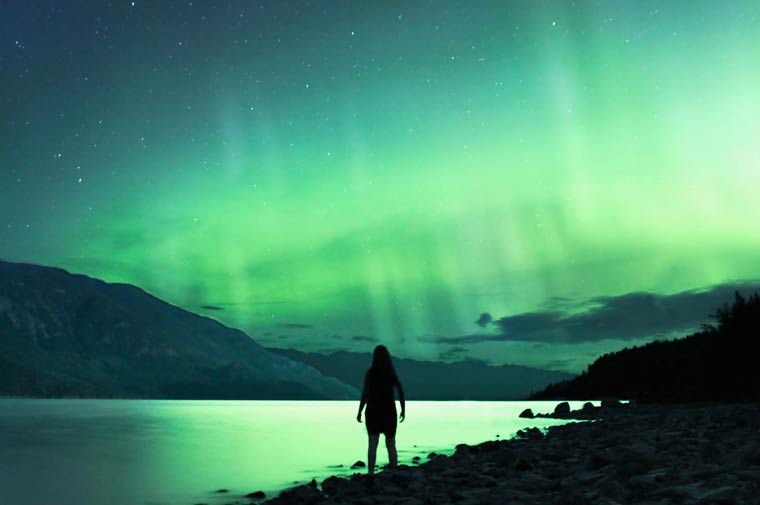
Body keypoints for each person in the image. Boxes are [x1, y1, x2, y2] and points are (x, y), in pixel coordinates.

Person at [356, 345, 405, 475]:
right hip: (389, 412)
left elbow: (365, 393)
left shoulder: (370, 373)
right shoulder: (391, 373)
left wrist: (359, 411)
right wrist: (403, 409)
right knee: (390, 444)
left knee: (372, 445)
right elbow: (400, 390)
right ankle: (394, 471)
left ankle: (371, 473)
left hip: (372, 412)